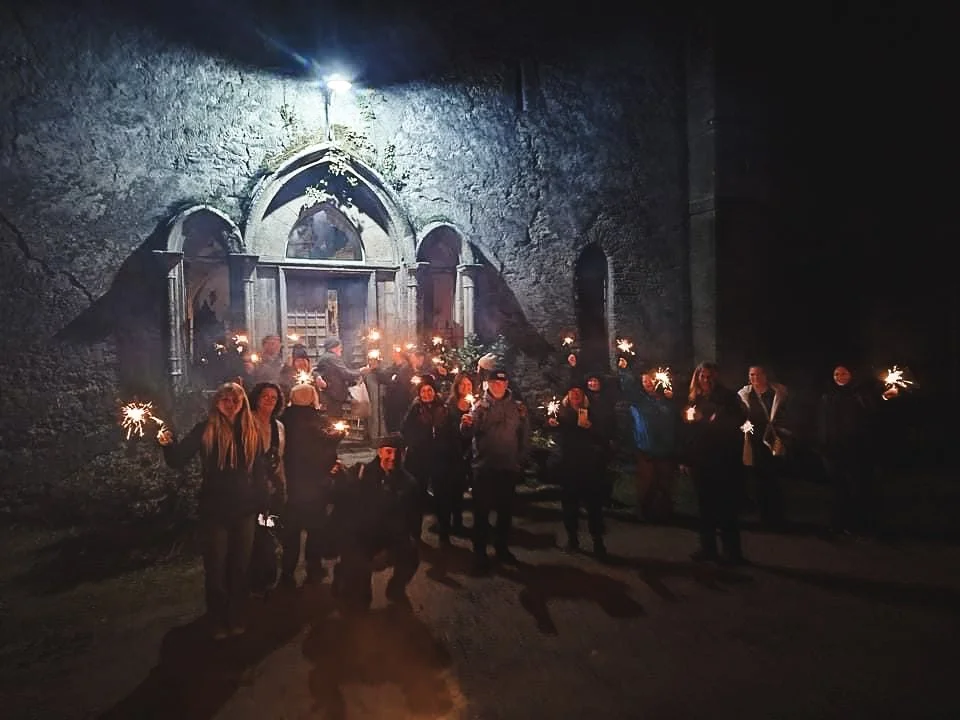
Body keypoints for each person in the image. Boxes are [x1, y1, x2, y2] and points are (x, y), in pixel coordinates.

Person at [158, 382, 269, 639]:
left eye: (235, 401)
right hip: (215, 510)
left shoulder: (251, 431)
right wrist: (167, 443)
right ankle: (218, 618)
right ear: (217, 403)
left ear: (242, 404)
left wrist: (264, 505)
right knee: (216, 568)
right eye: (225, 400)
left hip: (245, 509)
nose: (230, 405)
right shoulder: (205, 430)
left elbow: (260, 472)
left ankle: (237, 615)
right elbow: (178, 460)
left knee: (240, 567)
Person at [329, 434, 421, 610]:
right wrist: (337, 479)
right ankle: (344, 573)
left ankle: (395, 589)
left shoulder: (409, 484)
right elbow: (341, 500)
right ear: (379, 452)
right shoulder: (361, 473)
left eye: (398, 453)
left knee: (411, 553)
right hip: (361, 539)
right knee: (359, 603)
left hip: (389, 539)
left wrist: (392, 548)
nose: (393, 458)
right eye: (388, 451)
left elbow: (412, 521)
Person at [460, 365, 530, 575]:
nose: (498, 385)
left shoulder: (517, 408)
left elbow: (524, 434)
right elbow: (467, 432)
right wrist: (465, 424)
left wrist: (521, 459)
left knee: (505, 513)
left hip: (507, 467)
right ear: (488, 384)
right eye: (494, 382)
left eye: (502, 382)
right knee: (481, 513)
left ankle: (502, 548)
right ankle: (479, 553)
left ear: (507, 384)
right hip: (484, 467)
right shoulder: (480, 406)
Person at [278, 382, 346, 587]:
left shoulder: (282, 420)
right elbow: (326, 446)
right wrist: (339, 435)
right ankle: (313, 567)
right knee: (315, 529)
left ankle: (287, 573)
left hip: (290, 485)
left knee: (290, 532)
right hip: (315, 486)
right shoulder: (318, 421)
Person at [681, 362, 748, 565]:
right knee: (705, 508)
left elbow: (738, 423)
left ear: (716, 377)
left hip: (723, 459)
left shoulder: (727, 398)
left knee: (727, 508)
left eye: (709, 377)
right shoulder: (694, 398)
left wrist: (708, 421)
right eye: (702, 377)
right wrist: (686, 458)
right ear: (697, 378)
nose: (706, 380)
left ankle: (733, 553)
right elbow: (687, 432)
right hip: (701, 461)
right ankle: (708, 549)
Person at [818, 364, 895, 538]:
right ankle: (837, 525)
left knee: (858, 489)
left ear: (851, 374)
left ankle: (858, 525)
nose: (839, 377)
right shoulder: (827, 396)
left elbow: (874, 412)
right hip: (834, 451)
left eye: (844, 373)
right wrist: (824, 446)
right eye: (836, 374)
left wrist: (884, 398)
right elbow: (823, 424)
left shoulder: (860, 395)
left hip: (856, 451)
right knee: (838, 490)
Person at [548, 383, 608, 556]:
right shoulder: (561, 413)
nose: (575, 395)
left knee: (593, 506)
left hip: (588, 466)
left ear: (583, 396)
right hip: (568, 465)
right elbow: (553, 431)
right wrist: (551, 424)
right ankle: (572, 538)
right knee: (569, 504)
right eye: (572, 392)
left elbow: (603, 436)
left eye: (578, 392)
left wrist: (591, 428)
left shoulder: (592, 414)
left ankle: (598, 541)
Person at [401, 374, 456, 542]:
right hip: (419, 458)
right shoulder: (415, 408)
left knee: (442, 496)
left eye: (429, 390)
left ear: (434, 391)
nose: (427, 394)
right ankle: (415, 533)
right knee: (417, 495)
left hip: (439, 458)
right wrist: (416, 443)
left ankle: (444, 531)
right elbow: (405, 430)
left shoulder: (444, 408)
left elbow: (451, 431)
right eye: (423, 391)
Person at [737, 365, 790, 529]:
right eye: (752, 375)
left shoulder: (778, 393)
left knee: (774, 479)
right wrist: (748, 429)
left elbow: (785, 414)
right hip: (754, 441)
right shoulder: (745, 394)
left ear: (766, 376)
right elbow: (741, 417)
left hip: (774, 439)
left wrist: (780, 430)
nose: (755, 378)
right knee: (758, 479)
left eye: (758, 374)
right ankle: (764, 516)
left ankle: (776, 516)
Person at [630, 369, 679, 521]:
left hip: (666, 449)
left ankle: (665, 514)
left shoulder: (668, 400)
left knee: (665, 484)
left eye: (650, 380)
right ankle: (644, 514)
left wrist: (670, 399)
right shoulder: (639, 401)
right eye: (644, 381)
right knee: (646, 484)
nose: (647, 384)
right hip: (646, 448)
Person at [249, 382, 287, 512]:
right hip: (250, 484)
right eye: (265, 396)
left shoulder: (279, 426)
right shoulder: (246, 422)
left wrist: (282, 484)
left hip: (272, 485)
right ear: (257, 398)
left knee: (269, 525)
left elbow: (279, 457)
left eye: (273, 397)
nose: (269, 400)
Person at [314, 336, 370, 415]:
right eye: (340, 347)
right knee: (334, 419)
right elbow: (345, 373)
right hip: (333, 395)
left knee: (333, 418)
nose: (341, 349)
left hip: (329, 394)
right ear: (334, 347)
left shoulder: (324, 357)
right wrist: (361, 371)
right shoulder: (332, 358)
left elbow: (316, 371)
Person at [375, 345, 415, 433]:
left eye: (394, 352)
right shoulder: (393, 367)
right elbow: (384, 376)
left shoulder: (406, 368)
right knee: (391, 424)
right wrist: (376, 369)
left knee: (398, 425)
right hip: (391, 402)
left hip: (400, 402)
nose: (392, 354)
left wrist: (390, 381)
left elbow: (398, 382)